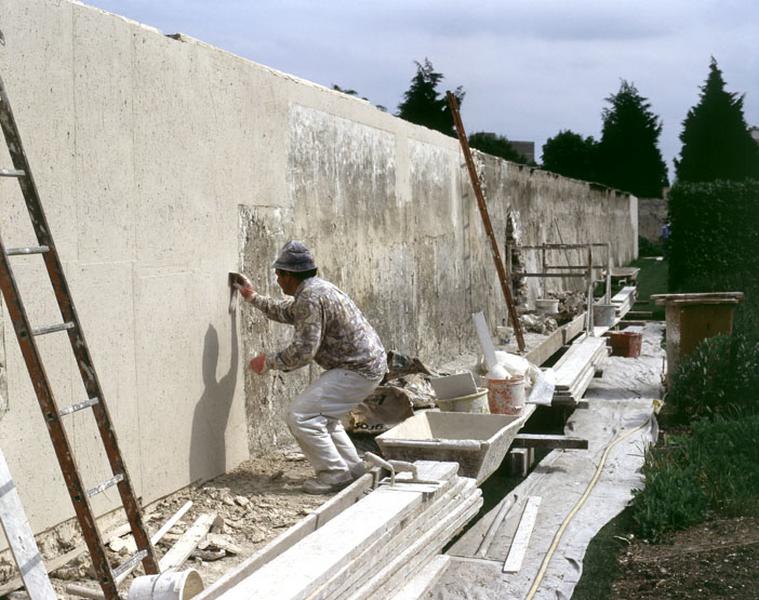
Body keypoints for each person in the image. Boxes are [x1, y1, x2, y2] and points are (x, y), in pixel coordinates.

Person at [237, 241, 387, 494]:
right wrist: (252, 297)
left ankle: (334, 475)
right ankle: (353, 470)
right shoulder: (316, 290)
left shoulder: (311, 297)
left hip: (357, 370)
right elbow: (288, 312)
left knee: (300, 415)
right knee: (323, 419)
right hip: (366, 366)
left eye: (279, 274)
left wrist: (269, 361)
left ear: (290, 276)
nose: (276, 279)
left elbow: (304, 351)